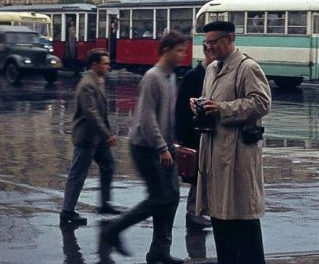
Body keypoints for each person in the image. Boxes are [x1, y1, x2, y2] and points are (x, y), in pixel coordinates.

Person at [99, 31, 188, 264]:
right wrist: (161, 147)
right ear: (166, 50)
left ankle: (160, 250)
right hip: (145, 147)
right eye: (179, 50)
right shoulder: (152, 77)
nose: (183, 55)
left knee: (171, 198)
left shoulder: (171, 77)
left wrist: (174, 142)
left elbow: (168, 115)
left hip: (165, 146)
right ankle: (113, 229)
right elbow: (147, 118)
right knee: (160, 197)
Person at [193, 20, 272, 264]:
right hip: (215, 156)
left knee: (243, 218)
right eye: (206, 43)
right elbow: (211, 100)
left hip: (238, 157)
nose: (209, 47)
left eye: (213, 42)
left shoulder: (247, 68)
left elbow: (262, 103)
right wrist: (199, 105)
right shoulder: (211, 69)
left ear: (230, 39)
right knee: (220, 220)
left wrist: (223, 109)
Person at [60, 49, 118, 227]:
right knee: (78, 174)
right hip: (87, 137)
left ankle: (105, 204)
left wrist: (107, 133)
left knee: (109, 165)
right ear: (94, 64)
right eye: (105, 64)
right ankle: (67, 211)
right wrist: (107, 134)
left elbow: (102, 112)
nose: (108, 67)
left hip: (98, 138)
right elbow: (91, 114)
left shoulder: (98, 80)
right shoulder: (87, 84)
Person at [176, 44, 215, 231]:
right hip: (193, 133)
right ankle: (193, 213)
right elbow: (181, 108)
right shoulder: (193, 75)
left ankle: (199, 211)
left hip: (206, 133)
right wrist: (181, 136)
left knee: (204, 174)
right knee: (196, 175)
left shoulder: (212, 73)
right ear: (206, 53)